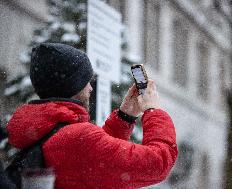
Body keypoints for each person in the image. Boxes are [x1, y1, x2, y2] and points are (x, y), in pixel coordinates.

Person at [6, 43, 178, 189]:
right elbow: (157, 163)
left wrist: (125, 116)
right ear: (72, 85)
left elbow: (96, 161)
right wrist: (153, 111)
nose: (91, 88)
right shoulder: (76, 138)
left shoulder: (48, 129)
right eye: (86, 81)